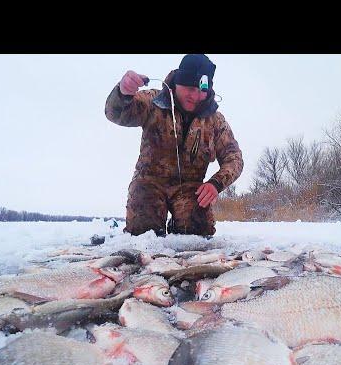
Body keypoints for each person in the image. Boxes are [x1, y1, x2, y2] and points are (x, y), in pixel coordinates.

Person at [104, 54, 243, 237]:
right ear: (177, 83)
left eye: (201, 90)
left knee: (196, 233)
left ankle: (179, 224)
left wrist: (215, 184)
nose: (195, 96)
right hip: (149, 183)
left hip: (190, 189)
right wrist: (123, 93)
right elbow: (116, 114)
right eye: (189, 88)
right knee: (144, 232)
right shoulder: (153, 101)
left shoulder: (216, 121)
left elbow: (234, 159)